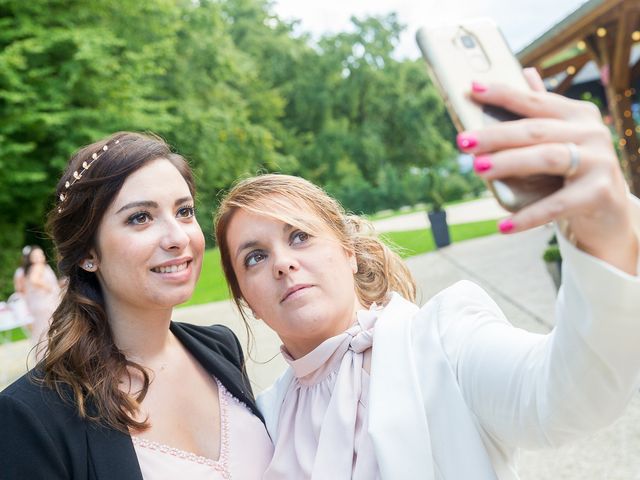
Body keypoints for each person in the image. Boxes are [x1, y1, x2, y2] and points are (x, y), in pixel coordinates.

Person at [214, 70, 640, 479]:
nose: (283, 263)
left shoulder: (442, 339)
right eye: (254, 257)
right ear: (246, 299)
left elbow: (568, 399)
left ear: (349, 254)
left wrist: (606, 236)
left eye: (301, 236)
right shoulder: (264, 417)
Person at [0, 132, 272, 479]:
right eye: (140, 217)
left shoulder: (221, 347)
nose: (177, 238)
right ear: (87, 254)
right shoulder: (30, 415)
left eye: (184, 211)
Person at [20, 244, 61, 348]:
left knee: (41, 331)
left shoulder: (29, 270)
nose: (40, 257)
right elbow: (35, 280)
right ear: (31, 258)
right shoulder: (38, 266)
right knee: (48, 330)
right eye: (36, 255)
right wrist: (49, 288)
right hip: (46, 304)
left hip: (38, 305)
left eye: (41, 254)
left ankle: (43, 354)